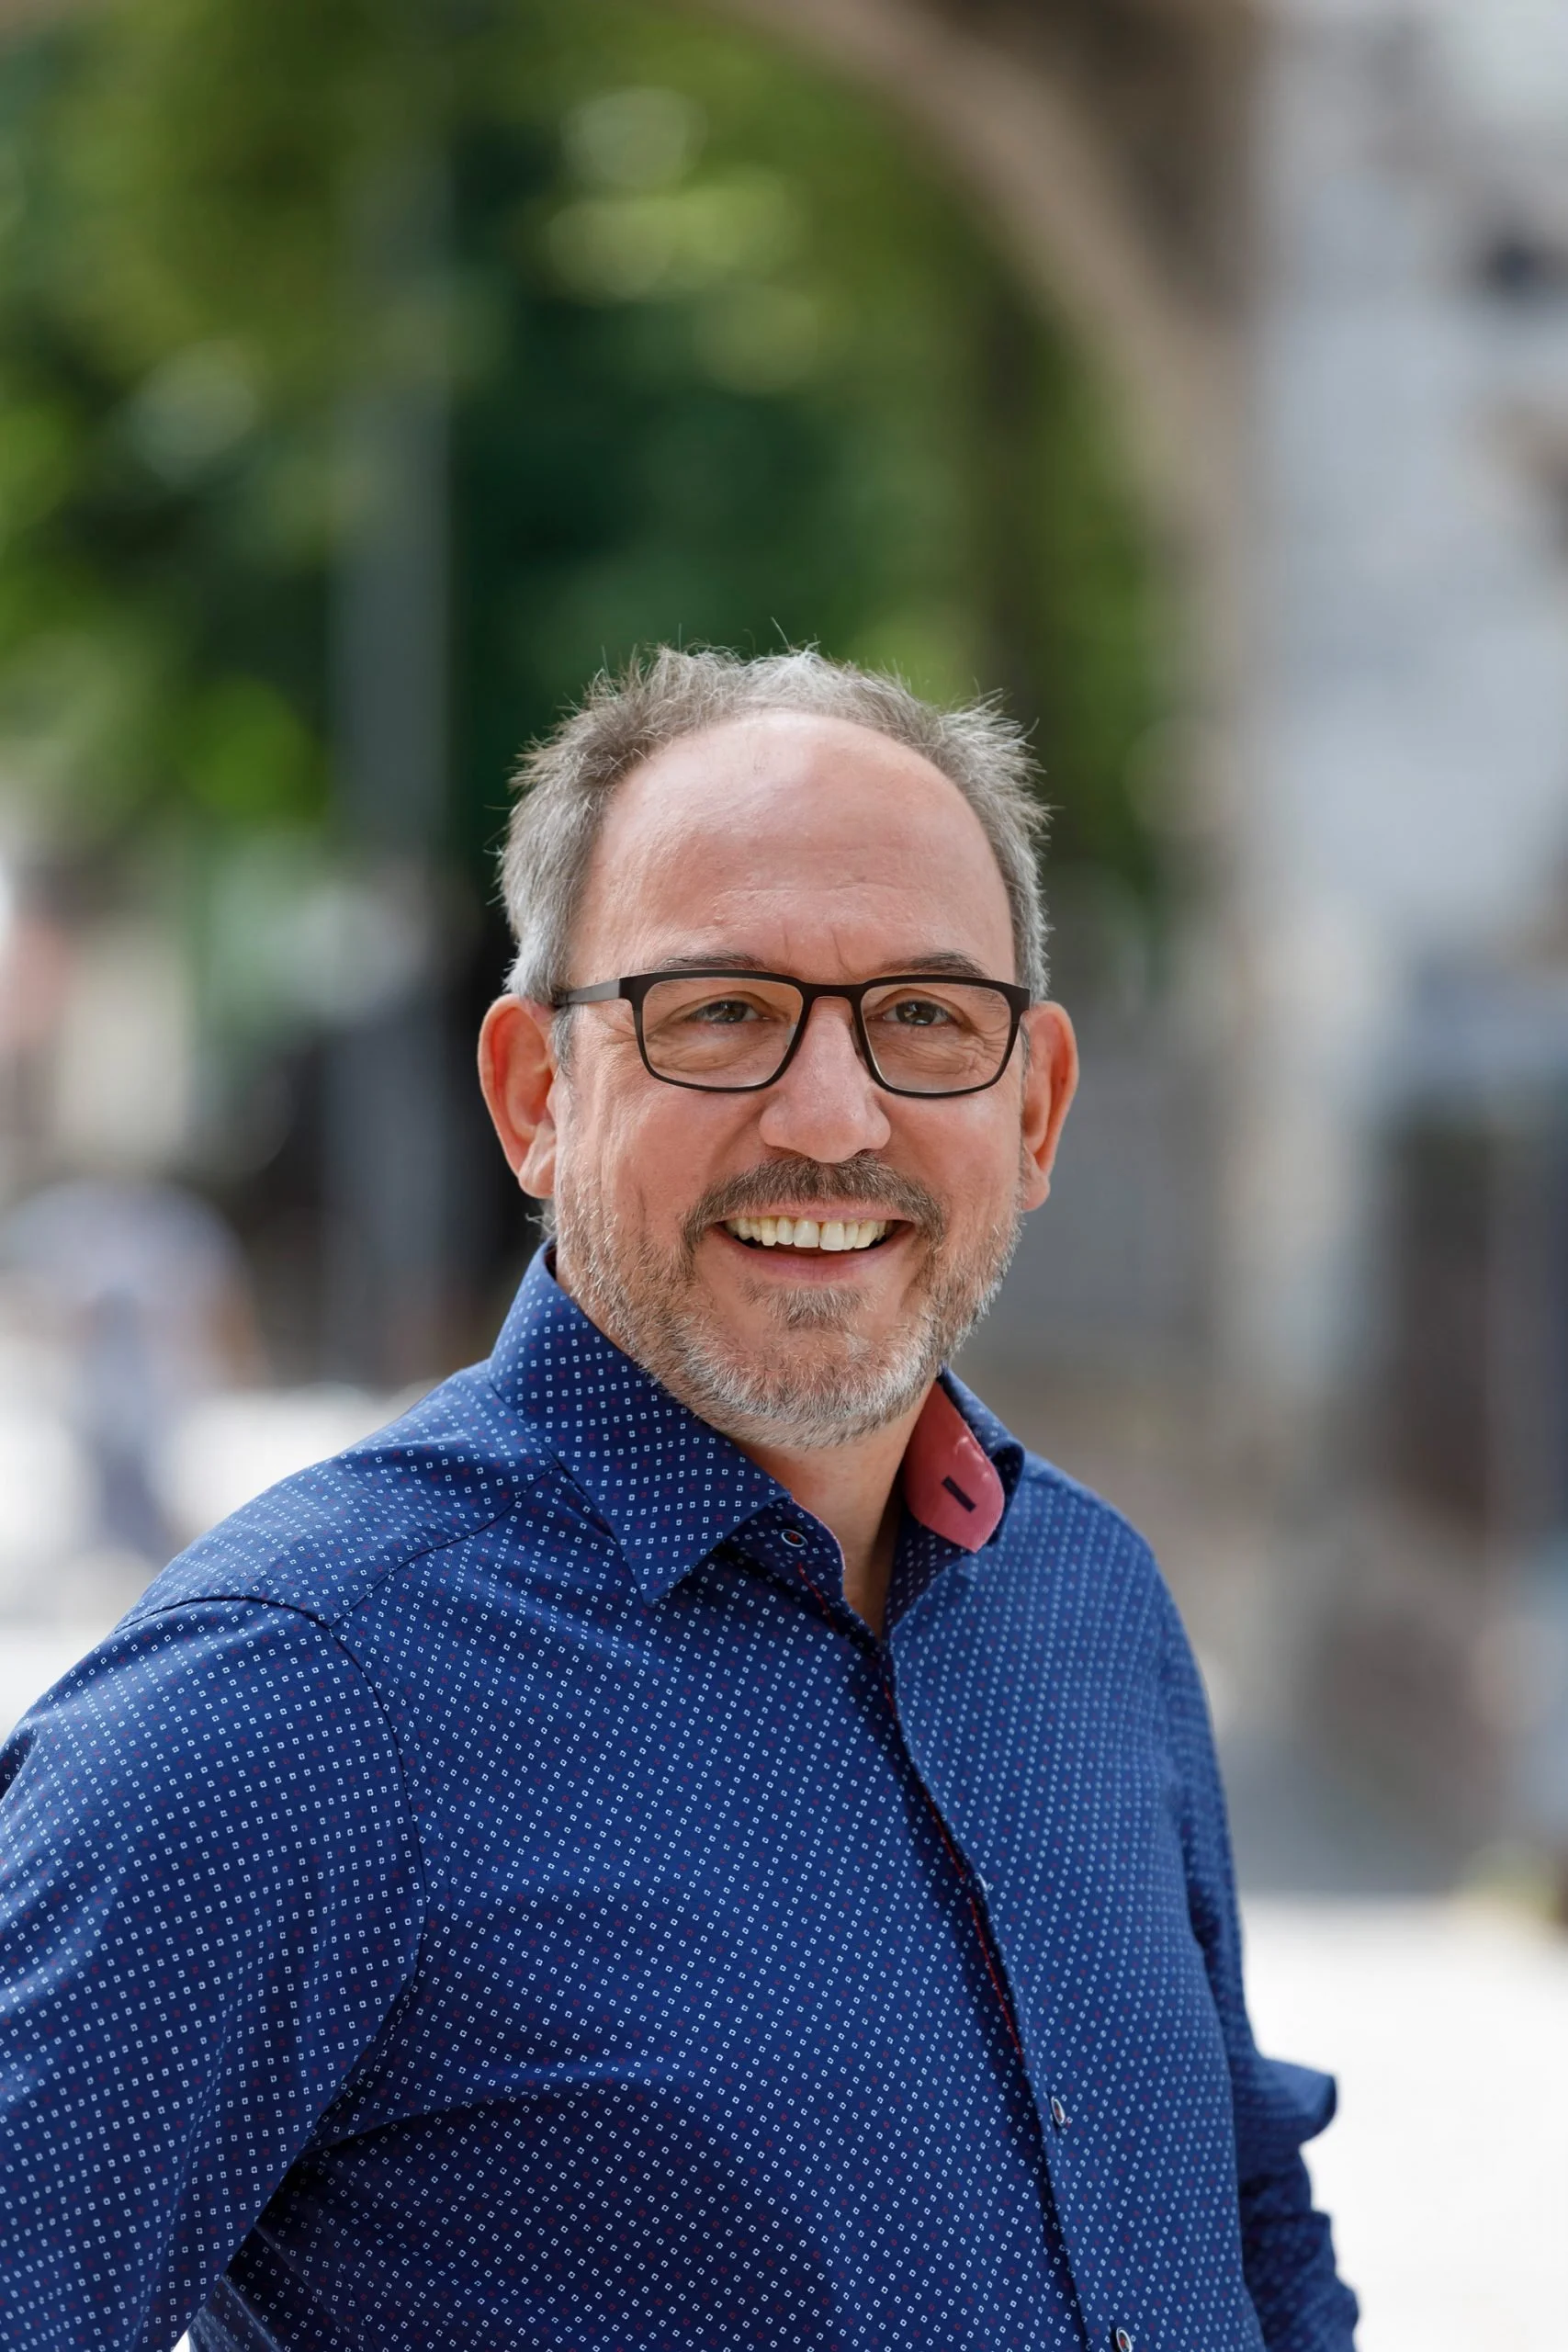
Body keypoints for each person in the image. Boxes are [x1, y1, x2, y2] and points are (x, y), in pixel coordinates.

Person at [0, 648, 1358, 2351]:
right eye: (720, 1011)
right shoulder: (284, 1708)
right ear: (535, 1096)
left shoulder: (1091, 1601)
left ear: (1033, 1107)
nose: (833, 1113)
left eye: (924, 1017)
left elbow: (1247, 2226)